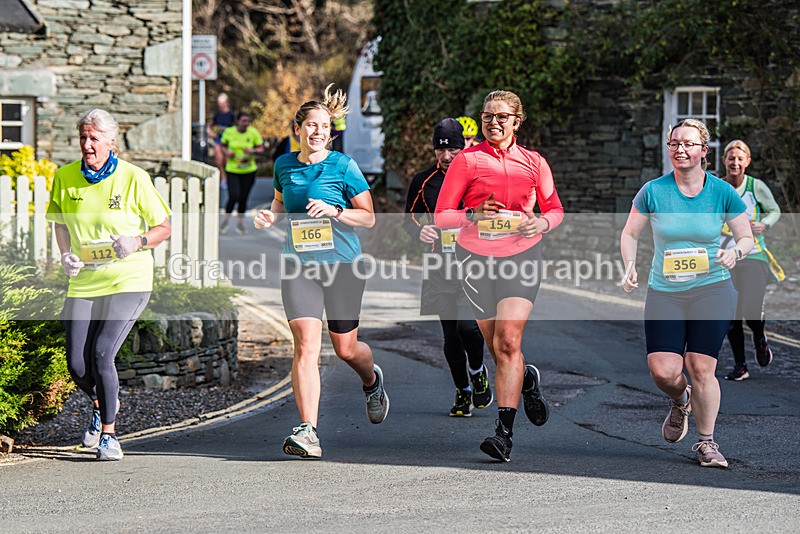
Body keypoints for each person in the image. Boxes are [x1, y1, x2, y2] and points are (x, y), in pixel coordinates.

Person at [254, 84, 389, 459]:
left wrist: (335, 212)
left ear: (331, 132)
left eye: (325, 127)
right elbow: (281, 204)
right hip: (299, 264)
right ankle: (308, 430)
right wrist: (270, 216)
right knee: (306, 346)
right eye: (311, 125)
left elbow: (369, 217)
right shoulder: (283, 165)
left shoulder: (344, 166)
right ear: (298, 128)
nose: (318, 132)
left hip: (343, 265)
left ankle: (372, 379)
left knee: (346, 349)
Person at [434, 90, 564, 462]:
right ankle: (527, 380)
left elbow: (554, 209)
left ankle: (503, 434)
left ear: (517, 122)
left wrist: (540, 222)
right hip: (475, 259)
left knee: (508, 341)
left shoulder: (534, 162)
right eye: (488, 116)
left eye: (502, 117)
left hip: (521, 257)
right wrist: (472, 214)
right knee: (496, 347)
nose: (494, 122)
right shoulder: (467, 161)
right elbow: (443, 215)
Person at [620, 119, 754, 469]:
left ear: (703, 151)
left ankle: (707, 443)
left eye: (688, 144)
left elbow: (746, 237)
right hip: (666, 290)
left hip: (712, 287)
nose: (680, 149)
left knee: (699, 366)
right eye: (674, 143)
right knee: (663, 371)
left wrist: (734, 253)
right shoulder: (653, 191)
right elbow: (630, 234)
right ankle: (681, 400)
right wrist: (630, 266)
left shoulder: (721, 192)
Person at [45, 109, 171, 461]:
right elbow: (60, 224)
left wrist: (137, 241)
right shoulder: (65, 177)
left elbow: (164, 227)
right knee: (76, 364)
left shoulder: (134, 178)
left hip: (128, 278)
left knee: (102, 352)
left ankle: (109, 437)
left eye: (94, 138)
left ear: (111, 142)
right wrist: (66, 254)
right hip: (84, 280)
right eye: (83, 137)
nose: (87, 144)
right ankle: (103, 403)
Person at [403, 118, 492, 418]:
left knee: (469, 327)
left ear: (462, 146)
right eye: (441, 149)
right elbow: (408, 219)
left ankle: (478, 371)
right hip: (439, 266)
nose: (447, 156)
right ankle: (462, 391)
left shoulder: (477, 177)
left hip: (473, 264)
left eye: (453, 148)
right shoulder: (423, 180)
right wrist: (420, 232)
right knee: (450, 336)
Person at [719, 140, 783, 381]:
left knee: (752, 311)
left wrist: (764, 224)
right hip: (725, 258)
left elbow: (774, 210)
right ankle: (740, 366)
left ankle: (759, 337)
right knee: (731, 318)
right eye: (730, 158)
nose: (735, 162)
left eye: (739, 158)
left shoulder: (756, 187)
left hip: (754, 256)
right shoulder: (717, 187)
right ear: (724, 161)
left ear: (747, 162)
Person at [220, 111, 265, 235]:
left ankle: (240, 224)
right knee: (234, 196)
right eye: (243, 121)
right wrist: (227, 153)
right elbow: (222, 145)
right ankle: (225, 221)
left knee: (243, 198)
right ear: (237, 121)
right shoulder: (229, 132)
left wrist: (253, 150)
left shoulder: (253, 132)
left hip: (248, 170)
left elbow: (261, 148)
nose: (246, 124)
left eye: (248, 121)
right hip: (233, 169)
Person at [208, 93, 236, 189]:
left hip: (229, 141)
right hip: (219, 140)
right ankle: (223, 179)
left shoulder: (231, 115)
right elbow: (211, 125)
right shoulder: (217, 115)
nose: (220, 105)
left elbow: (236, 127)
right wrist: (210, 132)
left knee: (227, 160)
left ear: (226, 103)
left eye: (222, 103)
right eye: (219, 103)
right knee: (218, 160)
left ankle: (229, 179)